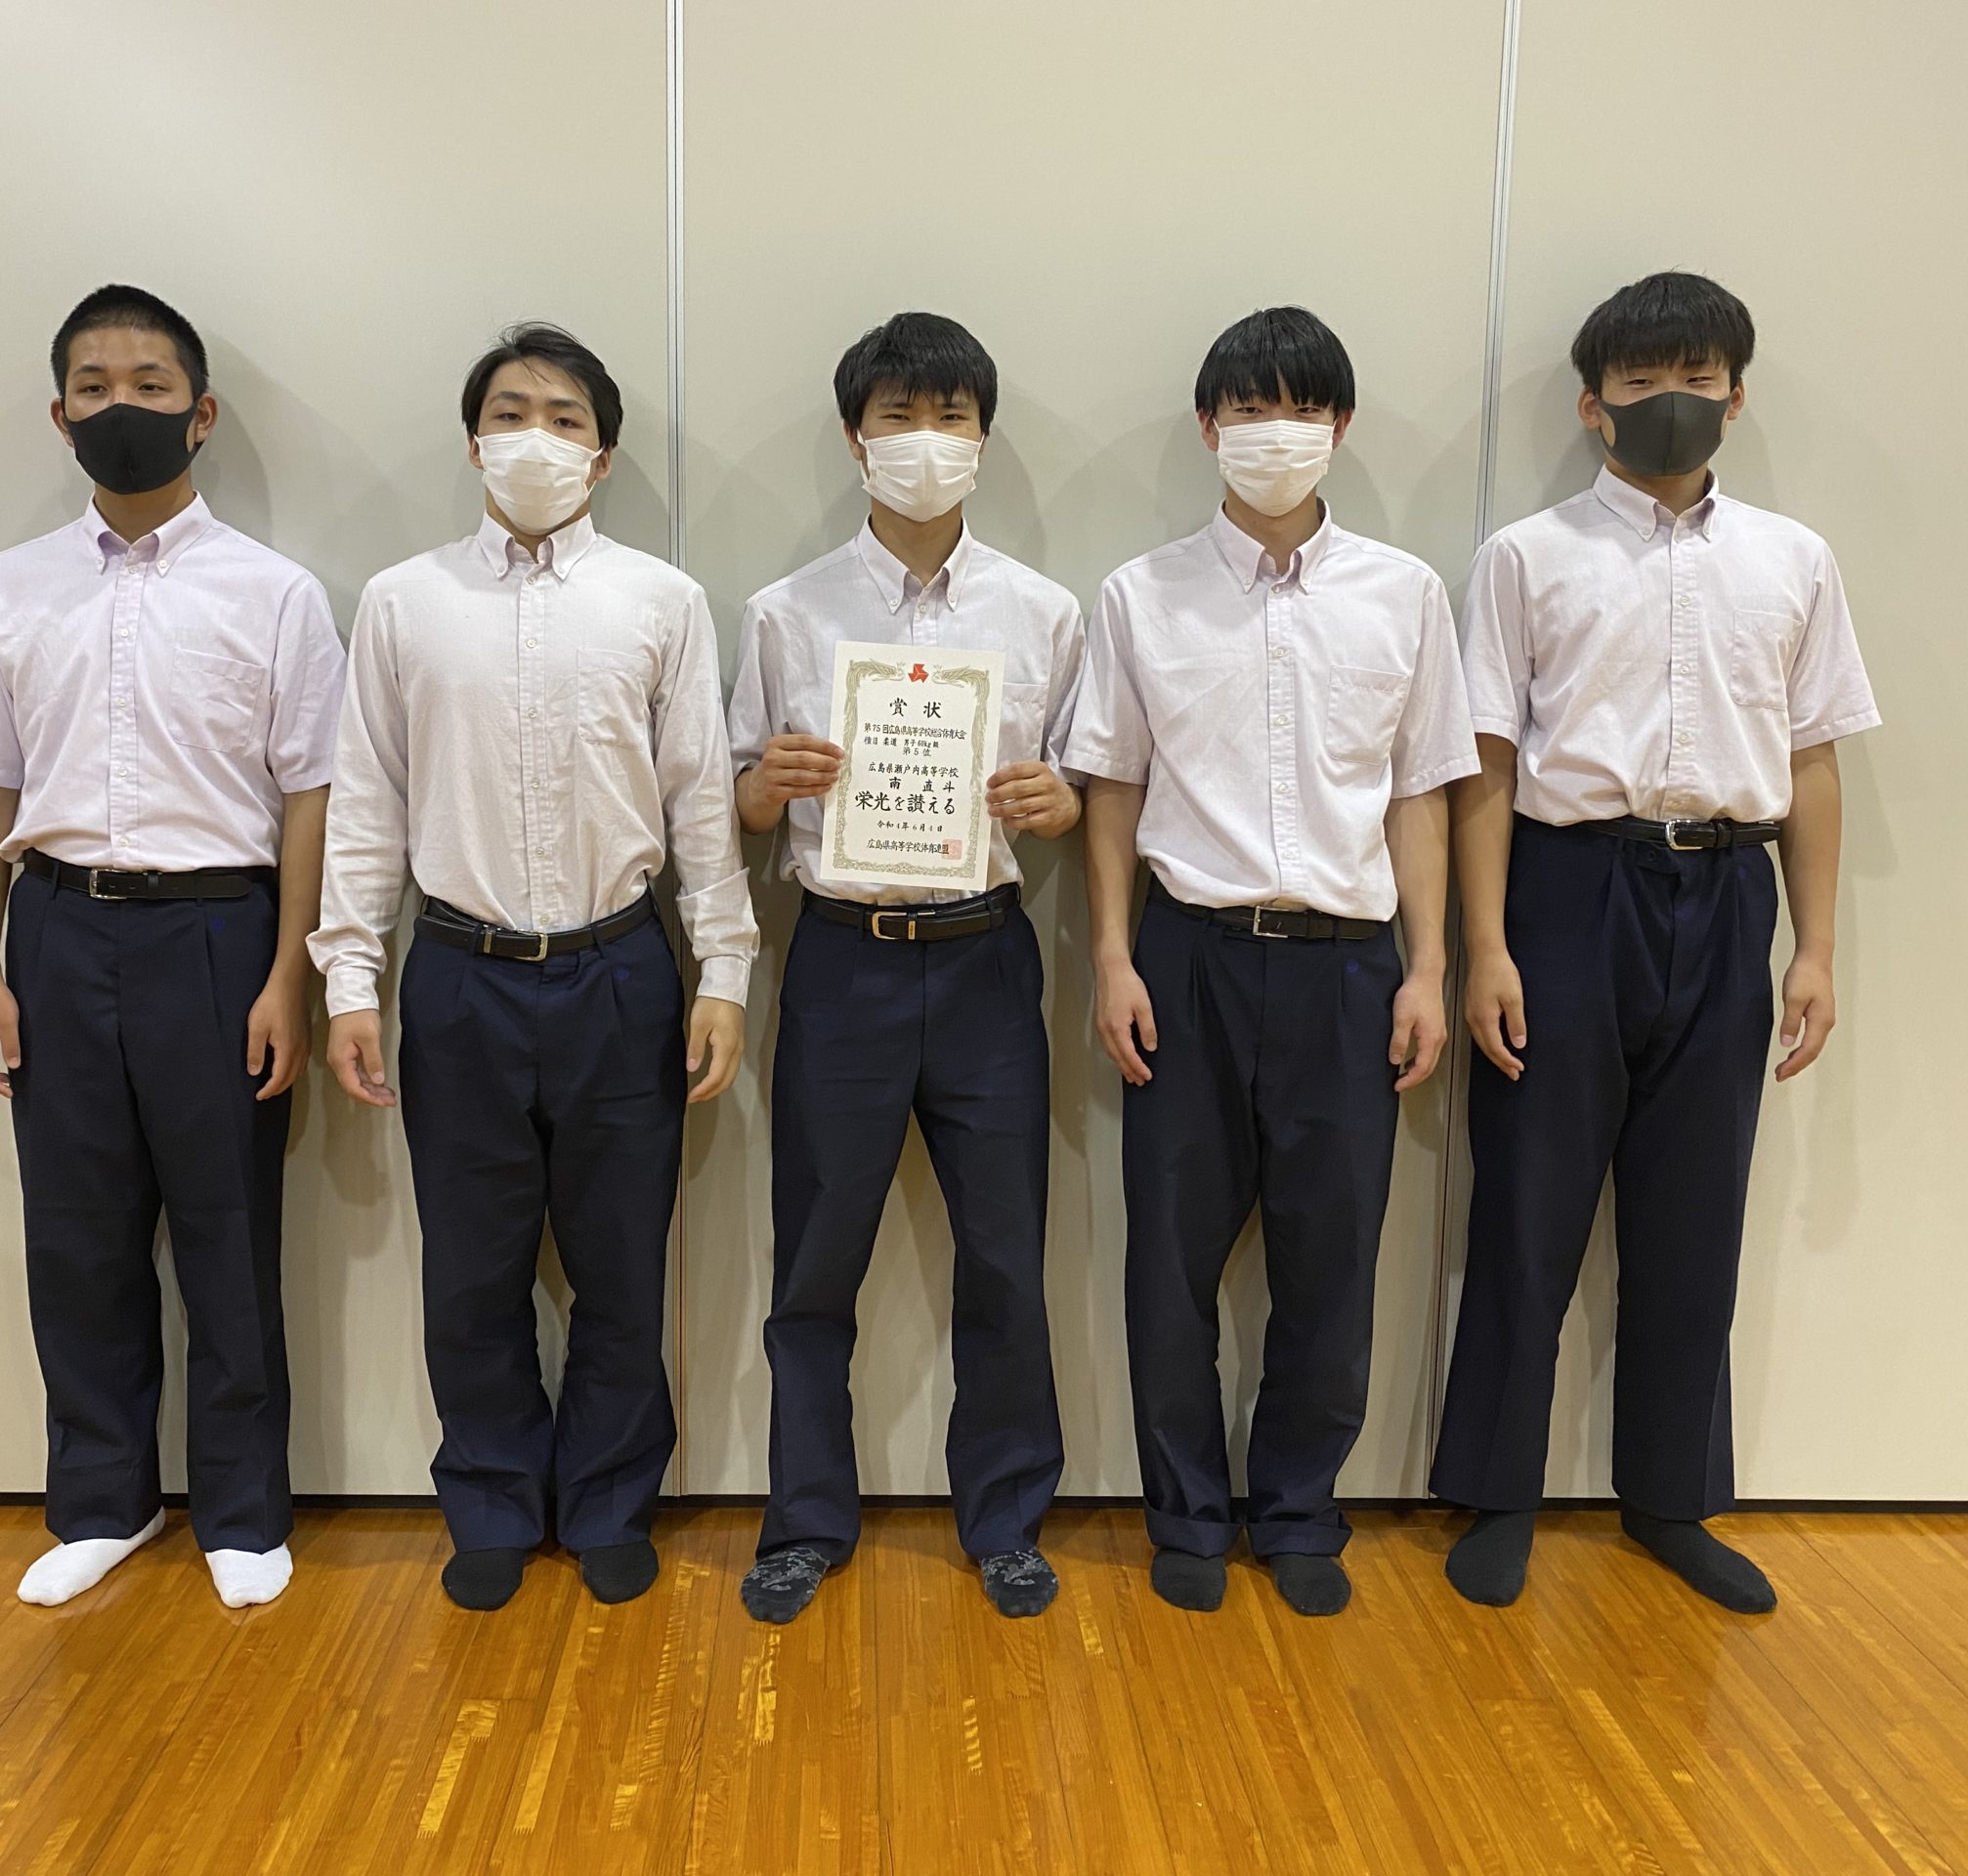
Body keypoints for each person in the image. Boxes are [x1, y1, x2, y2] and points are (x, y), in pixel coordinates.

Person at [1429, 271, 1881, 1614]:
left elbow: (1813, 760)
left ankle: (1670, 1501)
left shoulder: (1794, 561)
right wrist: (1485, 945)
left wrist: (1814, 948)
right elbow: (1486, 765)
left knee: (1697, 1213)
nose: (1669, 400)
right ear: (1594, 405)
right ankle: (1499, 1495)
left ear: (1736, 397)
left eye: (1696, 378)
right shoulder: (1527, 557)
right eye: (1640, 381)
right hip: (1569, 892)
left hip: (1730, 893)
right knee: (1530, 1205)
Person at [0, 283, 345, 1610]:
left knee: (228, 1230)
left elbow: (312, 796)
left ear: (200, 415)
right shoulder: (5, 590)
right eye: (94, 387)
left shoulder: (275, 593)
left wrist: (289, 975)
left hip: (219, 930)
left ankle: (242, 1512)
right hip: (54, 928)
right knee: (77, 1232)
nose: (121, 407)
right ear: (61, 417)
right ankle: (103, 1501)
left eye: (150, 386)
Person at [312, 323, 754, 1613]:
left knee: (621, 1264)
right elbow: (365, 804)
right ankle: (494, 1499)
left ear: (601, 456)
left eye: (565, 419)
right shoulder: (403, 602)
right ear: (473, 443)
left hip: (622, 970)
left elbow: (701, 803)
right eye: (511, 413)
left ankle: (610, 1498)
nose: (536, 438)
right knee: (472, 1267)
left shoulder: (661, 602)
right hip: (460, 975)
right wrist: (349, 980)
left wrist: (723, 970)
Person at [1066, 307, 1476, 1617]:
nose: (1274, 432)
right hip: (1186, 957)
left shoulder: (1405, 595)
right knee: (1169, 1260)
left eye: (1301, 409)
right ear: (1209, 427)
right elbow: (1113, 790)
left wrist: (1429, 968)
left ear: (1340, 427)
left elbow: (1421, 793)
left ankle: (1300, 1510)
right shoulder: (1141, 595)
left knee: (1332, 1258)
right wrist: (1112, 957)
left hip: (1350, 968)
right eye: (1249, 409)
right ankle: (1186, 1514)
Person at [728, 313, 1084, 1625]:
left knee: (1005, 1256)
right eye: (898, 418)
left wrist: (1056, 804)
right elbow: (735, 806)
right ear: (854, 437)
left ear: (982, 439)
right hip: (843, 960)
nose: (924, 442)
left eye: (950, 419)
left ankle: (1006, 1520)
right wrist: (767, 784)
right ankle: (805, 1521)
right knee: (816, 1258)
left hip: (986, 959)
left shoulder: (1045, 613)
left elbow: (1080, 794)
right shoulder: (786, 612)